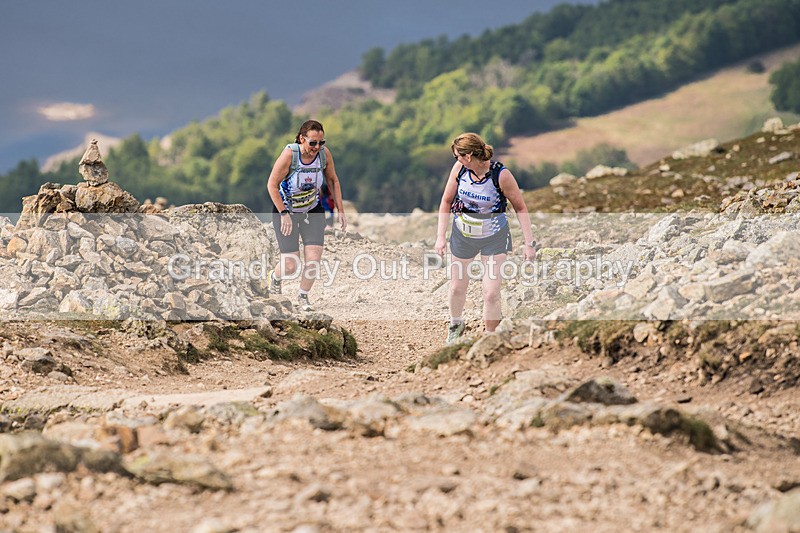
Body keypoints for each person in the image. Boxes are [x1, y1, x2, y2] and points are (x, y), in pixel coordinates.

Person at [435, 132, 537, 345]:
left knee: (490, 293)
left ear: (469, 156)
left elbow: (520, 207)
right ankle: (455, 324)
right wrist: (440, 237)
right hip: (463, 236)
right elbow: (446, 201)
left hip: (494, 238)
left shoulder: (501, 175)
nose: (456, 161)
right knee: (456, 288)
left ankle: (491, 339)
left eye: (458, 156)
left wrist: (529, 244)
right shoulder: (459, 170)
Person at [266, 120, 347, 311]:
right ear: (302, 139)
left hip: (312, 210)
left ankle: (303, 296)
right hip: (286, 211)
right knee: (291, 264)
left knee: (313, 260)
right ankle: (275, 277)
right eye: (313, 143)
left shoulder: (323, 155)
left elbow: (333, 180)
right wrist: (284, 213)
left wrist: (340, 210)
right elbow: (272, 185)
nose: (317, 147)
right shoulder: (290, 155)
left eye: (321, 143)